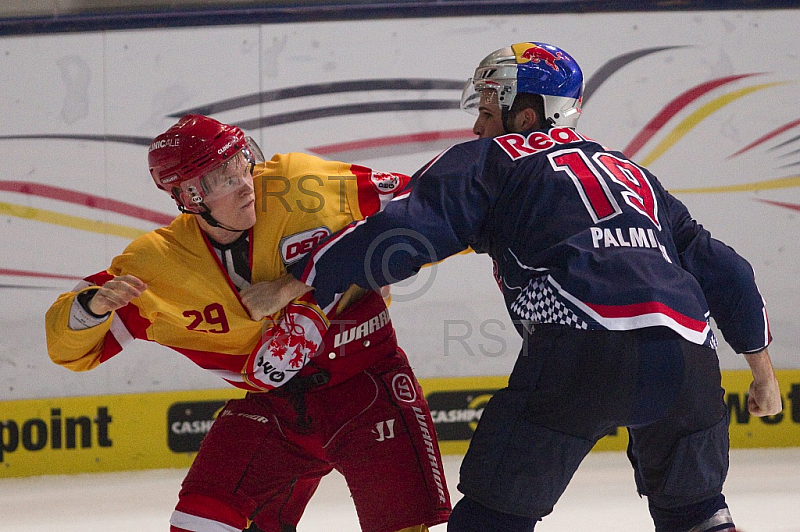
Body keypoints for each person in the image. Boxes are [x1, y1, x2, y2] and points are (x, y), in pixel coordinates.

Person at [259, 42, 783, 531]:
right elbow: (725, 269)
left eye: (487, 113)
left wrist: (298, 281)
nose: (478, 128)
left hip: (583, 351)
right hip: (689, 359)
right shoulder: (636, 175)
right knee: (697, 512)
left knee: (492, 518)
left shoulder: (497, 158)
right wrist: (762, 372)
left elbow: (407, 230)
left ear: (525, 115)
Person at [45, 114, 451, 532]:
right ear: (188, 196)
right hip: (274, 411)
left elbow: (426, 207)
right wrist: (90, 309)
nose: (245, 184)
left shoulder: (301, 182)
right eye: (222, 177)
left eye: (244, 163)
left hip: (369, 387)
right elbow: (69, 350)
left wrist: (313, 279)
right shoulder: (156, 266)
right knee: (200, 519)